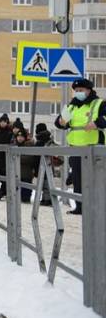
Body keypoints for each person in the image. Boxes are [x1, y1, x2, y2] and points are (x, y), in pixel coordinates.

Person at [54, 78, 106, 215]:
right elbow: (59, 123)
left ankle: (97, 208)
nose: (78, 93)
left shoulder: (98, 103)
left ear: (89, 90)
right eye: (76, 91)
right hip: (76, 149)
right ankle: (80, 207)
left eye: (81, 90)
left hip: (93, 147)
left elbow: (105, 118)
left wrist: (97, 123)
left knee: (94, 179)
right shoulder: (72, 106)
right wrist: (61, 122)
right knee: (78, 179)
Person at [33, 123, 58, 206]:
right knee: (47, 183)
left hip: (41, 164)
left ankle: (46, 199)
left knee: (44, 183)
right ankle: (46, 199)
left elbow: (36, 155)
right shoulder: (48, 138)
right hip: (48, 164)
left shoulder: (40, 140)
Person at [13, 128, 36, 203]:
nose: (20, 138)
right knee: (16, 197)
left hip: (26, 174)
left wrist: (17, 157)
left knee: (25, 196)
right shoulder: (14, 145)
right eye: (18, 136)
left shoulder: (29, 146)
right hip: (16, 174)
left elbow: (29, 158)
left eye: (22, 136)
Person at [0, 114, 13, 196]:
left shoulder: (9, 132)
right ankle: (2, 190)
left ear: (7, 122)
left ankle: (5, 191)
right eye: (1, 121)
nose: (3, 123)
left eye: (4, 121)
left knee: (6, 175)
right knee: (1, 174)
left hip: (6, 156)